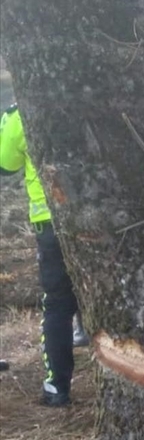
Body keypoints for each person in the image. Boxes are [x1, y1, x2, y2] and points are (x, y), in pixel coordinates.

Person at [0, 104, 85, 405]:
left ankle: (57, 387)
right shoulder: (94, 90)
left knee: (58, 303)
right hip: (105, 215)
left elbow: (5, 164)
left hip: (50, 221)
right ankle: (87, 331)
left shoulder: (20, 112)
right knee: (106, 285)